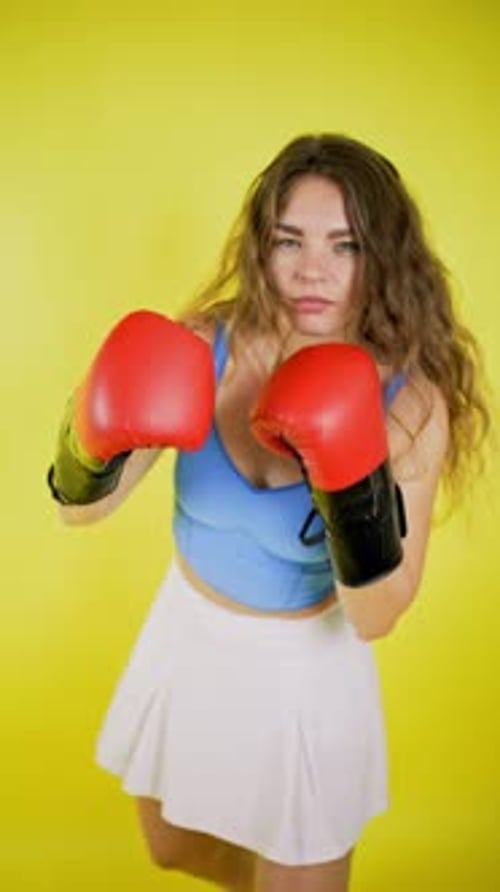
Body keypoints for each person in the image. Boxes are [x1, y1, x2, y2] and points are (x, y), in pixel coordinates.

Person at [47, 133, 490, 892]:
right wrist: (90, 431)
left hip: (304, 670)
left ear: (380, 258)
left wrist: (348, 482)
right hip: (188, 631)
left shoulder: (407, 407)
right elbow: (80, 517)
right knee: (171, 845)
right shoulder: (204, 348)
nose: (312, 269)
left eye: (344, 246)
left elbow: (377, 617)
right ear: (262, 247)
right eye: (290, 241)